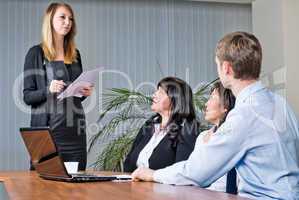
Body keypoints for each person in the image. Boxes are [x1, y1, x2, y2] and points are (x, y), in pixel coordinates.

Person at [132, 32, 299, 200]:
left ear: (226, 68)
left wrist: (153, 174)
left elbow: (197, 173)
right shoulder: (281, 104)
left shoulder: (244, 115)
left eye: (217, 65)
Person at [23, 2, 93, 170]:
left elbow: (74, 94)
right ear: (50, 21)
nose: (67, 22)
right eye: (62, 17)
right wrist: (49, 89)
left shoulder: (75, 55)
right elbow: (27, 96)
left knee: (76, 186)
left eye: (70, 19)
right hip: (49, 131)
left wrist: (83, 91)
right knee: (43, 187)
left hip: (75, 130)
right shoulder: (36, 53)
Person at [123, 77, 200, 172]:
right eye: (157, 91)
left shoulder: (188, 130)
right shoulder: (149, 126)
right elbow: (129, 161)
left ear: (175, 99)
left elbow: (181, 171)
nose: (154, 95)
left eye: (161, 92)